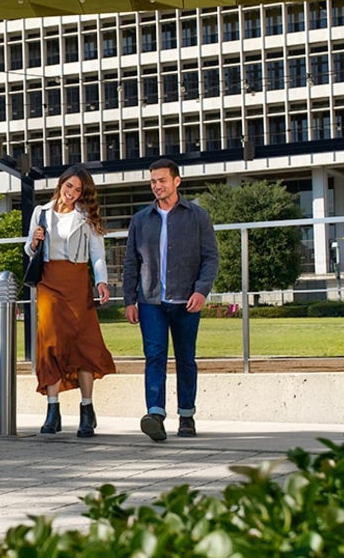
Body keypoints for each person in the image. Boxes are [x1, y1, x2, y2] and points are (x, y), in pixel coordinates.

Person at [122, 157, 219, 442]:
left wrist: (201, 290)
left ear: (177, 181)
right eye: (153, 181)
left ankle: (186, 415)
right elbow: (130, 262)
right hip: (151, 301)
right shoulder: (141, 219)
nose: (157, 186)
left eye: (162, 180)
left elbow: (210, 258)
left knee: (186, 359)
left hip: (186, 299)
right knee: (154, 356)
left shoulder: (197, 216)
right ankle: (156, 414)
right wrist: (129, 299)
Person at [24, 165, 115, 437]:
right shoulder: (41, 212)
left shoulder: (86, 217)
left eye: (78, 190)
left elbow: (97, 253)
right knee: (50, 344)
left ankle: (87, 410)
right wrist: (34, 242)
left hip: (77, 282)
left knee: (83, 345)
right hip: (49, 282)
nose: (72, 193)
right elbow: (29, 249)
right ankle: (53, 411)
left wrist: (101, 281)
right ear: (61, 183)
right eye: (69, 186)